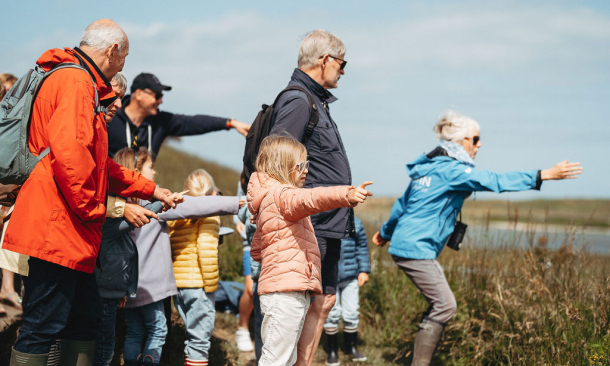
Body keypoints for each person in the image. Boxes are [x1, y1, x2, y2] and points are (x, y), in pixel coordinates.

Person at [2, 19, 182, 366]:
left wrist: (151, 189)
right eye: (125, 56)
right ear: (113, 51)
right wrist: (94, 208)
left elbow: (99, 164)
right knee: (44, 325)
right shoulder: (76, 81)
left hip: (69, 229)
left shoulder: (75, 80)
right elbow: (71, 155)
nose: (123, 64)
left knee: (81, 321)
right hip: (59, 227)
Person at [372, 110, 583, 366]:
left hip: (406, 246)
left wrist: (385, 233)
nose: (479, 144)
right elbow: (494, 180)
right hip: (416, 249)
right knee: (446, 305)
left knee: (440, 304)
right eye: (475, 139)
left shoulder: (427, 169)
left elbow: (401, 205)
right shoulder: (453, 171)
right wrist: (543, 175)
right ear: (461, 141)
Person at [267, 29, 353, 366]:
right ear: (324, 60)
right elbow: (277, 158)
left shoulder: (313, 99)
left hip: (328, 221)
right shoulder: (299, 99)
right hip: (311, 223)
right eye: (342, 63)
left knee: (324, 301)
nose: (343, 71)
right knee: (299, 303)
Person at [247, 134, 373, 366]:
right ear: (283, 167)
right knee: (277, 359)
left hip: (284, 289)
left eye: (308, 164)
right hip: (285, 293)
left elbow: (258, 249)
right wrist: (346, 194)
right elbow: (312, 198)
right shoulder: (282, 196)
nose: (307, 170)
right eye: (301, 165)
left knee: (285, 357)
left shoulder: (268, 200)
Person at [123, 152, 242, 365]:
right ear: (138, 172)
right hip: (172, 285)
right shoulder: (157, 205)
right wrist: (211, 285)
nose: (155, 172)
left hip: (134, 285)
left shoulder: (123, 206)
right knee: (164, 330)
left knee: (134, 331)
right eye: (151, 167)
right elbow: (204, 246)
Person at [94, 146, 164, 366]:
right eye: (150, 168)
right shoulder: (112, 218)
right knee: (104, 351)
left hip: (111, 292)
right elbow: (142, 217)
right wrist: (163, 199)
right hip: (104, 294)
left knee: (107, 346)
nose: (154, 173)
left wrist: (122, 289)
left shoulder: (114, 211)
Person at [167, 169, 243, 366]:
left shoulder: (176, 215)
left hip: (179, 286)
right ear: (210, 193)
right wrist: (211, 286)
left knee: (191, 336)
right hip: (199, 285)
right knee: (200, 341)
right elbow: (206, 250)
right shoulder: (209, 215)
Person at [107, 72, 250, 157]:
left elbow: (193, 123)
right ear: (138, 94)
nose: (160, 101)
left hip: (143, 199)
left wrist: (231, 123)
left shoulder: (161, 122)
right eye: (157, 95)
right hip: (113, 202)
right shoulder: (110, 120)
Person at [323, 216, 370, 365]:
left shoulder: (356, 222)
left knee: (351, 311)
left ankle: (352, 348)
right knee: (332, 313)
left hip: (351, 276)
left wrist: (364, 270)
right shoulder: (323, 220)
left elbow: (362, 246)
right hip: (328, 277)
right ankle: (332, 351)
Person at [233, 183, 255, 352]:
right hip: (250, 241)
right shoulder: (245, 179)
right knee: (250, 289)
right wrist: (237, 221)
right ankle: (243, 328)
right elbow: (239, 203)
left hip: (271, 240)